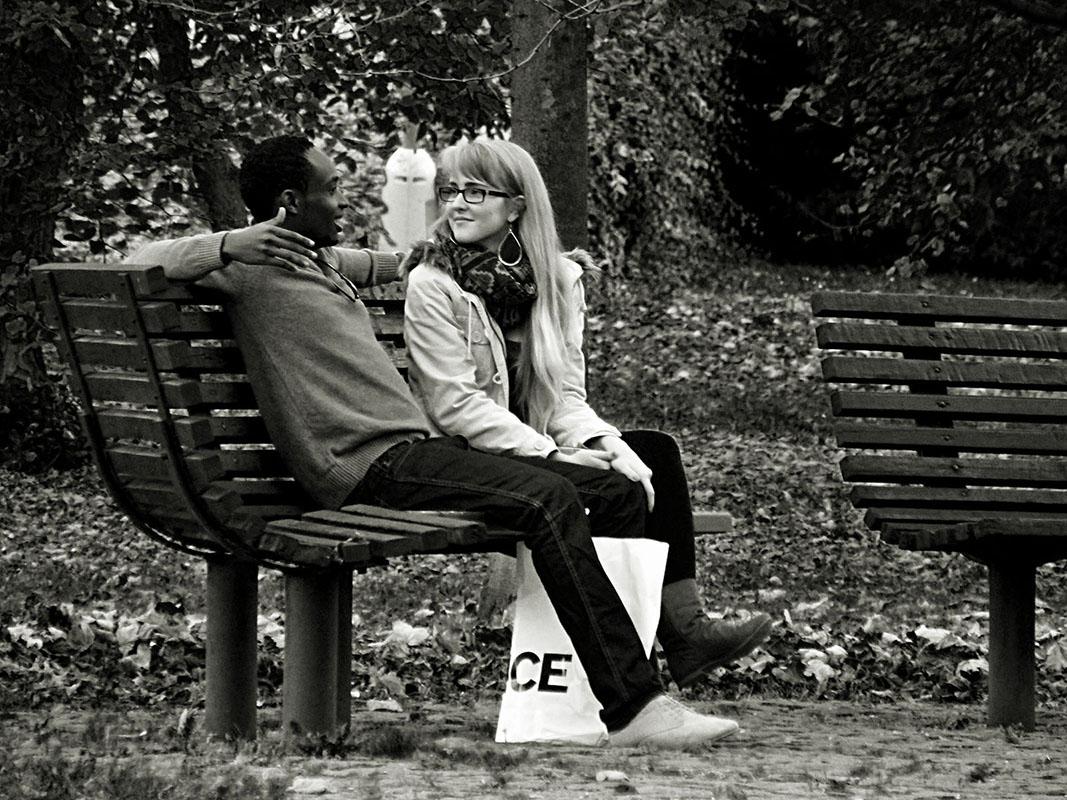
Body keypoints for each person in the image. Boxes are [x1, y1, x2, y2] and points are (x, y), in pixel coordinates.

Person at [126, 134, 738, 748]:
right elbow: (133, 260)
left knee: (618, 487)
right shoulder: (245, 270)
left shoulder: (317, 261)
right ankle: (634, 707)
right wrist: (233, 242)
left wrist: (530, 265)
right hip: (366, 464)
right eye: (332, 188)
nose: (344, 200)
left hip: (411, 452)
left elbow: (411, 264)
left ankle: (645, 661)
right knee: (546, 500)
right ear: (290, 200)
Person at [401, 139, 772, 689]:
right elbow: (457, 407)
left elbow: (565, 398)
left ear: (516, 205)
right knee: (611, 491)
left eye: (475, 192)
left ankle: (685, 634)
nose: (456, 204)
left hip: (539, 449)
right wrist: (552, 452)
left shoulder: (559, 282)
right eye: (449, 191)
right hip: (470, 457)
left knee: (653, 456)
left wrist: (603, 443)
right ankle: (624, 677)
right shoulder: (432, 284)